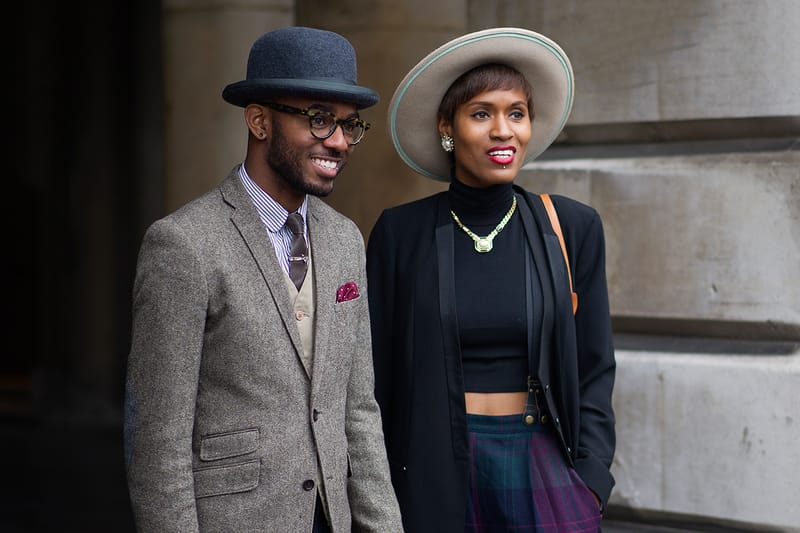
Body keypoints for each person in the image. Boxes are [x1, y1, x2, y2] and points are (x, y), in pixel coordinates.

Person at [124, 26, 403, 532]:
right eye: (319, 120)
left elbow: (359, 410)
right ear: (258, 122)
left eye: (348, 125)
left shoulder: (344, 239)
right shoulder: (183, 244)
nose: (339, 142)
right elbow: (157, 441)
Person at [367, 28, 616, 532]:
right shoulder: (401, 233)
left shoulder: (572, 227)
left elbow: (596, 365)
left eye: (516, 113)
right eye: (482, 113)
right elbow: (373, 378)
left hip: (543, 464)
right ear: (447, 128)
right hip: (434, 470)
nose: (504, 130)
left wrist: (591, 478)